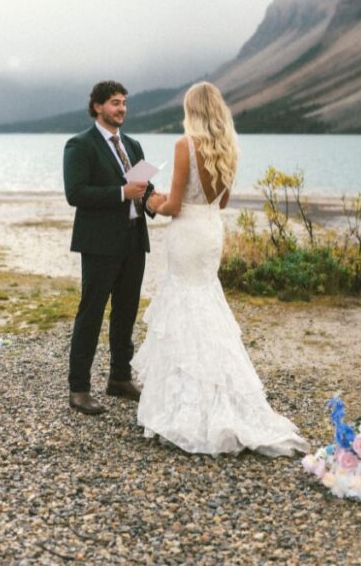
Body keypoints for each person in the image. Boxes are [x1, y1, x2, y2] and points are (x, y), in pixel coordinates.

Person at [133, 82, 308, 456]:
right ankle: (218, 387)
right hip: (211, 230)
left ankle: (186, 403)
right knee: (205, 301)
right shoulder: (229, 146)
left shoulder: (185, 145)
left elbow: (175, 206)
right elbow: (222, 201)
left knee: (184, 303)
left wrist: (152, 201)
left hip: (187, 234)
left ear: (191, 110)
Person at [63, 81, 156, 415]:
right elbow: (76, 193)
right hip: (100, 243)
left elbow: (143, 189)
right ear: (98, 107)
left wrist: (152, 200)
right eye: (115, 103)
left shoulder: (133, 144)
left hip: (134, 240)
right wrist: (122, 193)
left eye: (125, 103)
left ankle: (120, 378)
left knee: (126, 311)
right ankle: (79, 388)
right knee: (91, 312)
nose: (122, 109)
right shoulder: (80, 145)